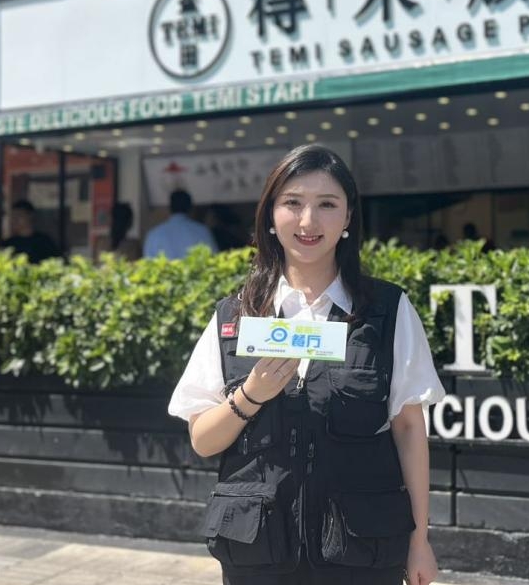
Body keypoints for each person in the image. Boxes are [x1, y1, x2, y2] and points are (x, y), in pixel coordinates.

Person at [168, 145, 445, 585]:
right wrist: (251, 395)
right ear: (270, 216)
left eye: (327, 204)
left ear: (349, 217)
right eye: (293, 203)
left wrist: (420, 542)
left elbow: (410, 430)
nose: (308, 221)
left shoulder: (387, 310)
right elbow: (202, 440)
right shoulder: (234, 315)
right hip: (258, 555)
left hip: (360, 554)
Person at [144, 190, 218, 260]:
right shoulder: (202, 232)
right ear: (190, 207)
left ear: (170, 207)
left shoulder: (154, 235)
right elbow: (213, 259)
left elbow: (148, 264)